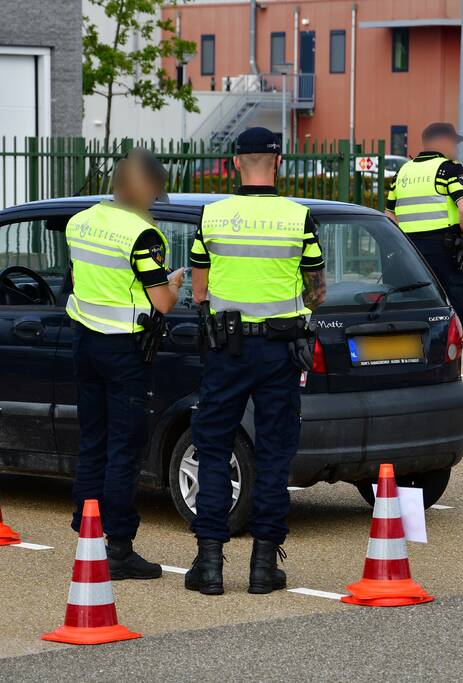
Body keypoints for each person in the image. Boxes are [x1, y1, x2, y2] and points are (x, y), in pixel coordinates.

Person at [185, 127, 326, 596]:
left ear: (234, 163)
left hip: (227, 347)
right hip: (281, 349)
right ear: (279, 162)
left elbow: (200, 291)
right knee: (273, 451)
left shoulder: (213, 215)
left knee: (212, 447)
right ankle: (264, 566)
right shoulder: (298, 217)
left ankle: (209, 565)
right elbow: (316, 289)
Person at [65, 148, 185, 577]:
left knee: (93, 440)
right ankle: (118, 548)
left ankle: (87, 533)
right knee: (124, 447)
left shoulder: (80, 222)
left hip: (85, 344)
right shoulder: (143, 235)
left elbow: (83, 280)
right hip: (125, 351)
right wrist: (174, 283)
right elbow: (163, 303)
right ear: (148, 186)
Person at [385, 122, 463, 335]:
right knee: (459, 319)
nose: (456, 148)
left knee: (415, 315)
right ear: (443, 142)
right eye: (454, 143)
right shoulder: (449, 169)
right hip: (444, 253)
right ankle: (442, 361)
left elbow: (389, 216)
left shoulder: (403, 172)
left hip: (408, 256)